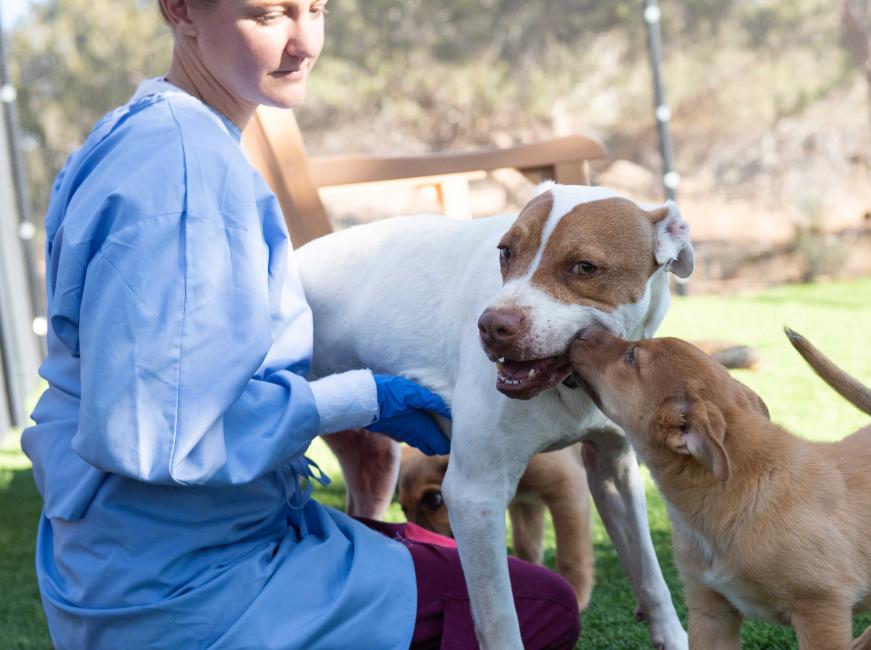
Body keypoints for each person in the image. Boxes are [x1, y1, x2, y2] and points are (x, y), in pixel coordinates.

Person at [21, 0, 582, 648]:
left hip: (114, 557)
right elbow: (159, 433)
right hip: (185, 589)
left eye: (314, 8)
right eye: (268, 15)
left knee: (431, 547)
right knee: (542, 606)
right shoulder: (181, 174)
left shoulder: (143, 131)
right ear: (179, 9)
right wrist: (355, 399)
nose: (304, 43)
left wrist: (344, 425)